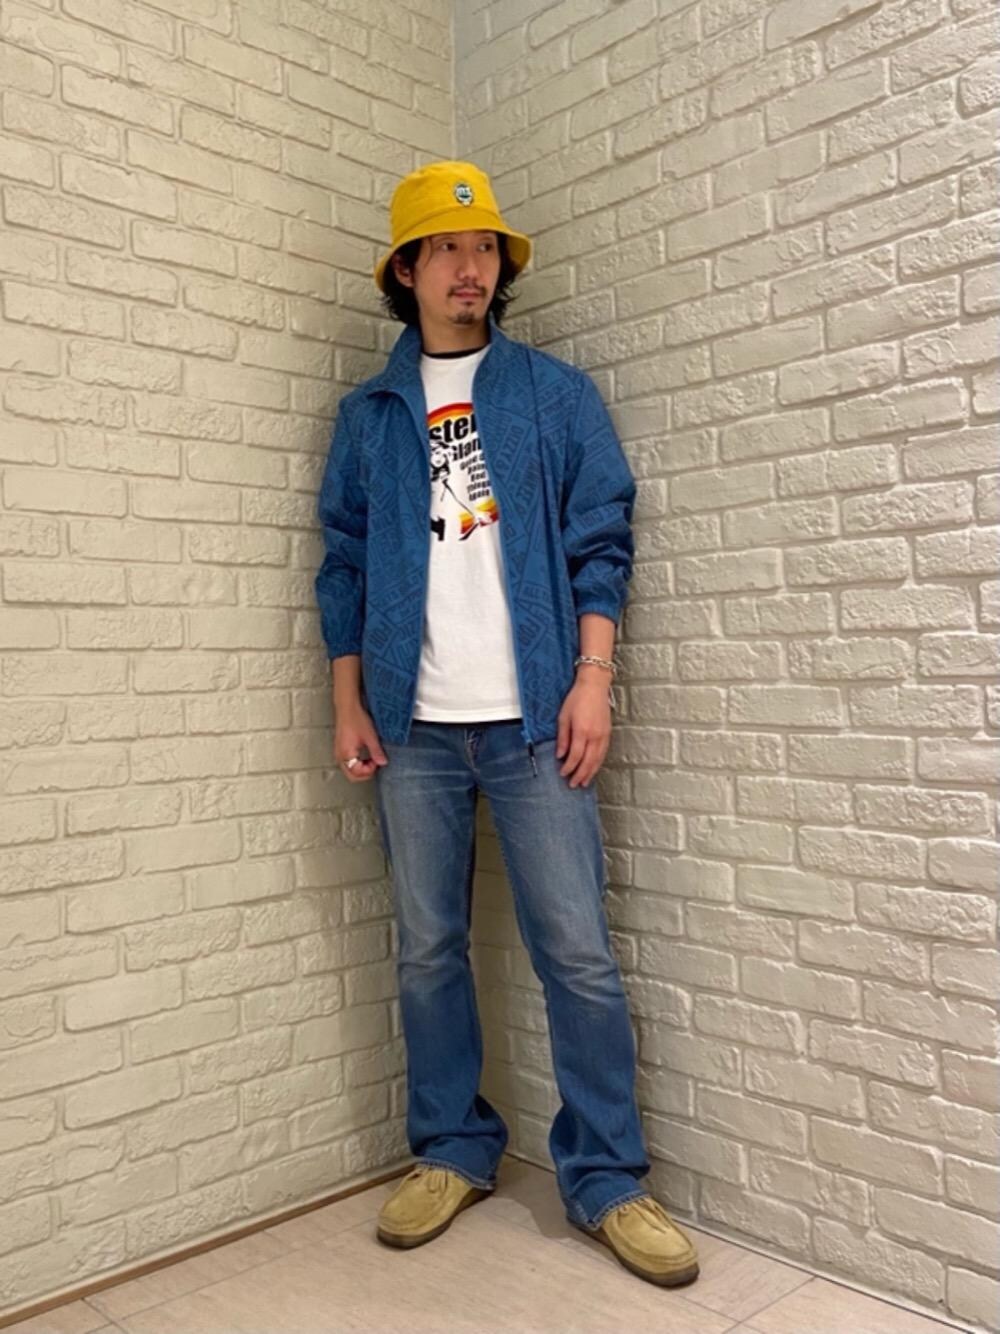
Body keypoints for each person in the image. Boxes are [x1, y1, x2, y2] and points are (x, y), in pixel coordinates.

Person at [314, 160, 700, 1289]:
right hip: (412, 727)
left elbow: (601, 537)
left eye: (482, 247)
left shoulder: (553, 395)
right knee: (427, 947)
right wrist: (348, 696)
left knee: (577, 951)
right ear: (405, 270)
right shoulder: (370, 416)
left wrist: (593, 678)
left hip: (537, 719)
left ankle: (608, 1176)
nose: (468, 266)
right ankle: (450, 1147)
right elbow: (342, 562)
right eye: (445, 247)